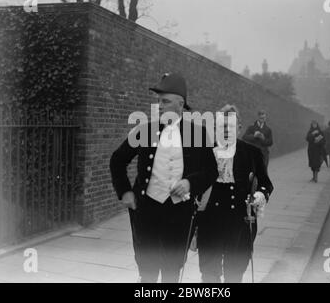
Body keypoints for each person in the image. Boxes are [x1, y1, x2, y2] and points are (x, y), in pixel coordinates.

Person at [110, 73, 218, 283]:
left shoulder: (199, 133)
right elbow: (117, 160)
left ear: (181, 103)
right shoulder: (145, 130)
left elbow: (212, 170)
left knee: (171, 271)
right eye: (159, 101)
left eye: (165, 101)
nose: (160, 105)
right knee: (148, 271)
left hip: (179, 212)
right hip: (146, 210)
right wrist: (125, 191)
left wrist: (190, 183)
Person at [196, 105, 274, 283]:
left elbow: (266, 183)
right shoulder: (204, 152)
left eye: (230, 126)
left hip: (239, 221)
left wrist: (260, 195)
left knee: (234, 273)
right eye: (221, 125)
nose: (225, 130)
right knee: (209, 274)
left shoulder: (252, 153)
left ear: (238, 128)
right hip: (210, 221)